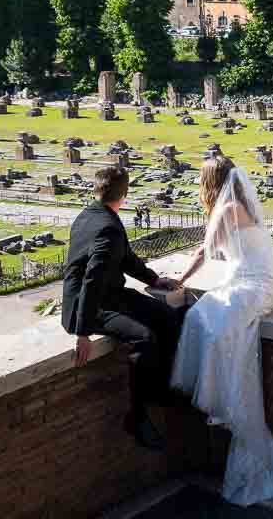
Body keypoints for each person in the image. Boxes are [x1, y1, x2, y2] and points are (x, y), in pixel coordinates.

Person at [171, 155, 273, 506]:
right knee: (201, 317)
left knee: (215, 323)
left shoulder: (226, 210)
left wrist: (179, 280)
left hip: (257, 283)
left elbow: (204, 252)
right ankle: (221, 398)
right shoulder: (235, 205)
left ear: (211, 182)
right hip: (249, 278)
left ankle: (224, 400)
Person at [61, 165, 183, 450]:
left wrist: (154, 279)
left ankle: (158, 389)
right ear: (124, 194)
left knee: (167, 316)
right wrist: (83, 331)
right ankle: (138, 415)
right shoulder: (108, 227)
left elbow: (126, 259)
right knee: (144, 337)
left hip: (110, 294)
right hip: (89, 305)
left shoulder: (92, 216)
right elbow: (91, 280)